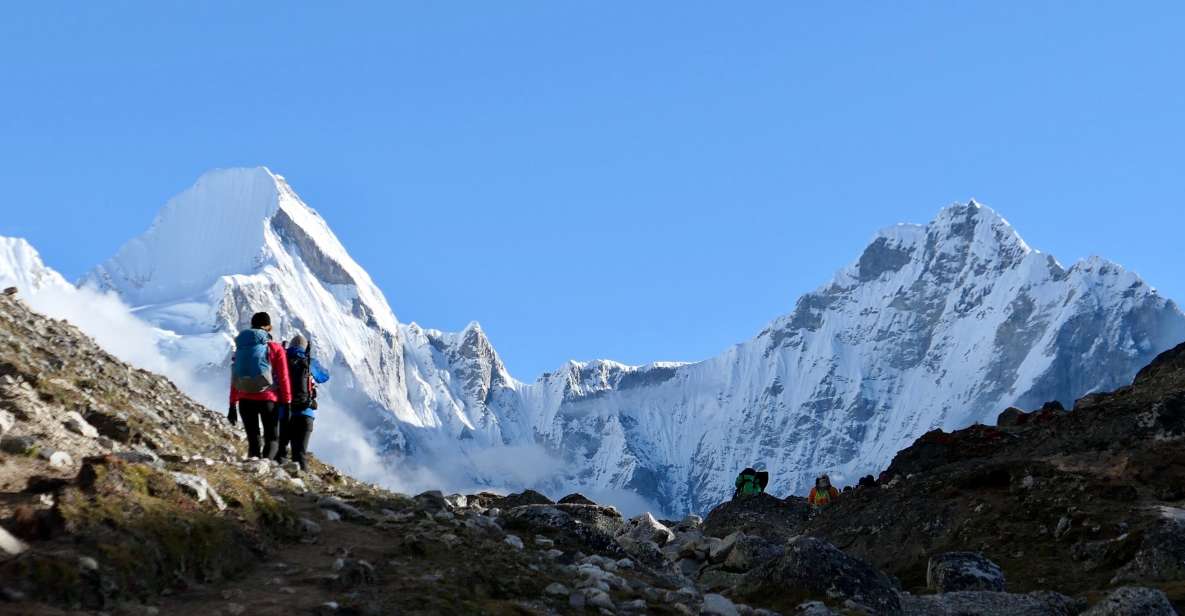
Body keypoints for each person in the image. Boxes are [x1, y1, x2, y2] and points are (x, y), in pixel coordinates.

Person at [228, 312, 291, 459]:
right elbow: (283, 377)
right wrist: (287, 402)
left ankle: (253, 473)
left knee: (253, 441)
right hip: (268, 399)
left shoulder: (241, 348)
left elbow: (235, 375)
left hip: (244, 400)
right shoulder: (275, 348)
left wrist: (232, 404)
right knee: (272, 439)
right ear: (268, 327)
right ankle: (266, 471)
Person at [276, 333, 317, 471]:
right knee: (300, 454)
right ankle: (302, 488)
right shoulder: (308, 362)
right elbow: (325, 376)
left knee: (280, 451)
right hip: (306, 414)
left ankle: (278, 481)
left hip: (285, 413)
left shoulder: (283, 360)